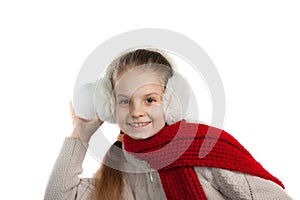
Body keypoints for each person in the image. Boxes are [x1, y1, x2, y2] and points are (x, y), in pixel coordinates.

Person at [44, 48, 292, 200]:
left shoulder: (206, 152)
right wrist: (81, 135)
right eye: (124, 101)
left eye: (149, 99)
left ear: (171, 100)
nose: (136, 112)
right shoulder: (119, 171)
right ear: (109, 106)